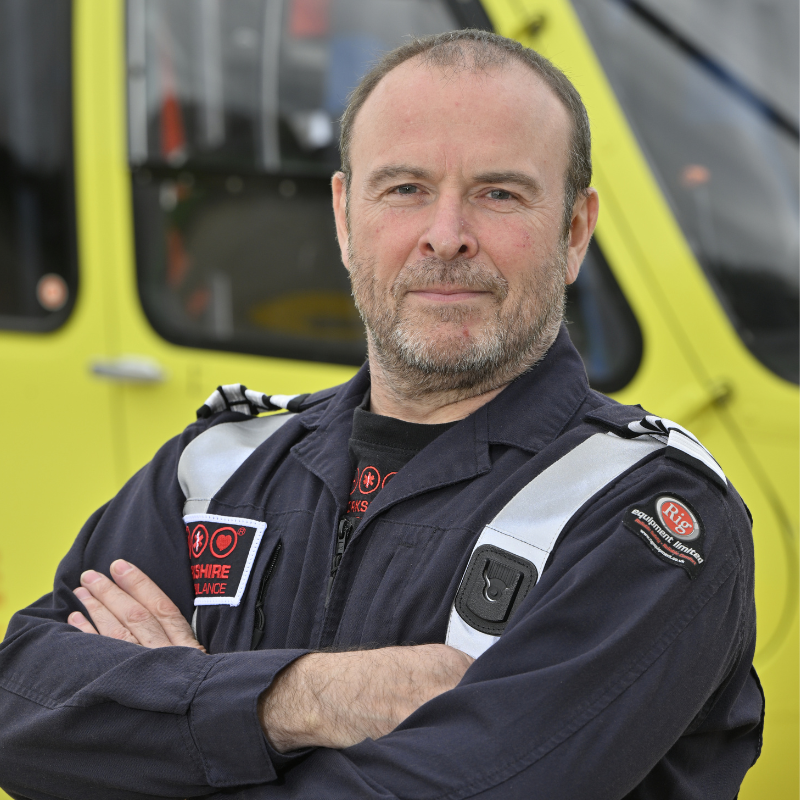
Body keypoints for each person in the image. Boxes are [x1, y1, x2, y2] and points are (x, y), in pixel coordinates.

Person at [0, 30, 762, 800]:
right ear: (343, 217)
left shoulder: (645, 518)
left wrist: (158, 727)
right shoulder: (213, 471)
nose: (446, 235)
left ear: (573, 233)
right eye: (404, 189)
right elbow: (15, 711)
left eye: (500, 193)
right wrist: (298, 699)